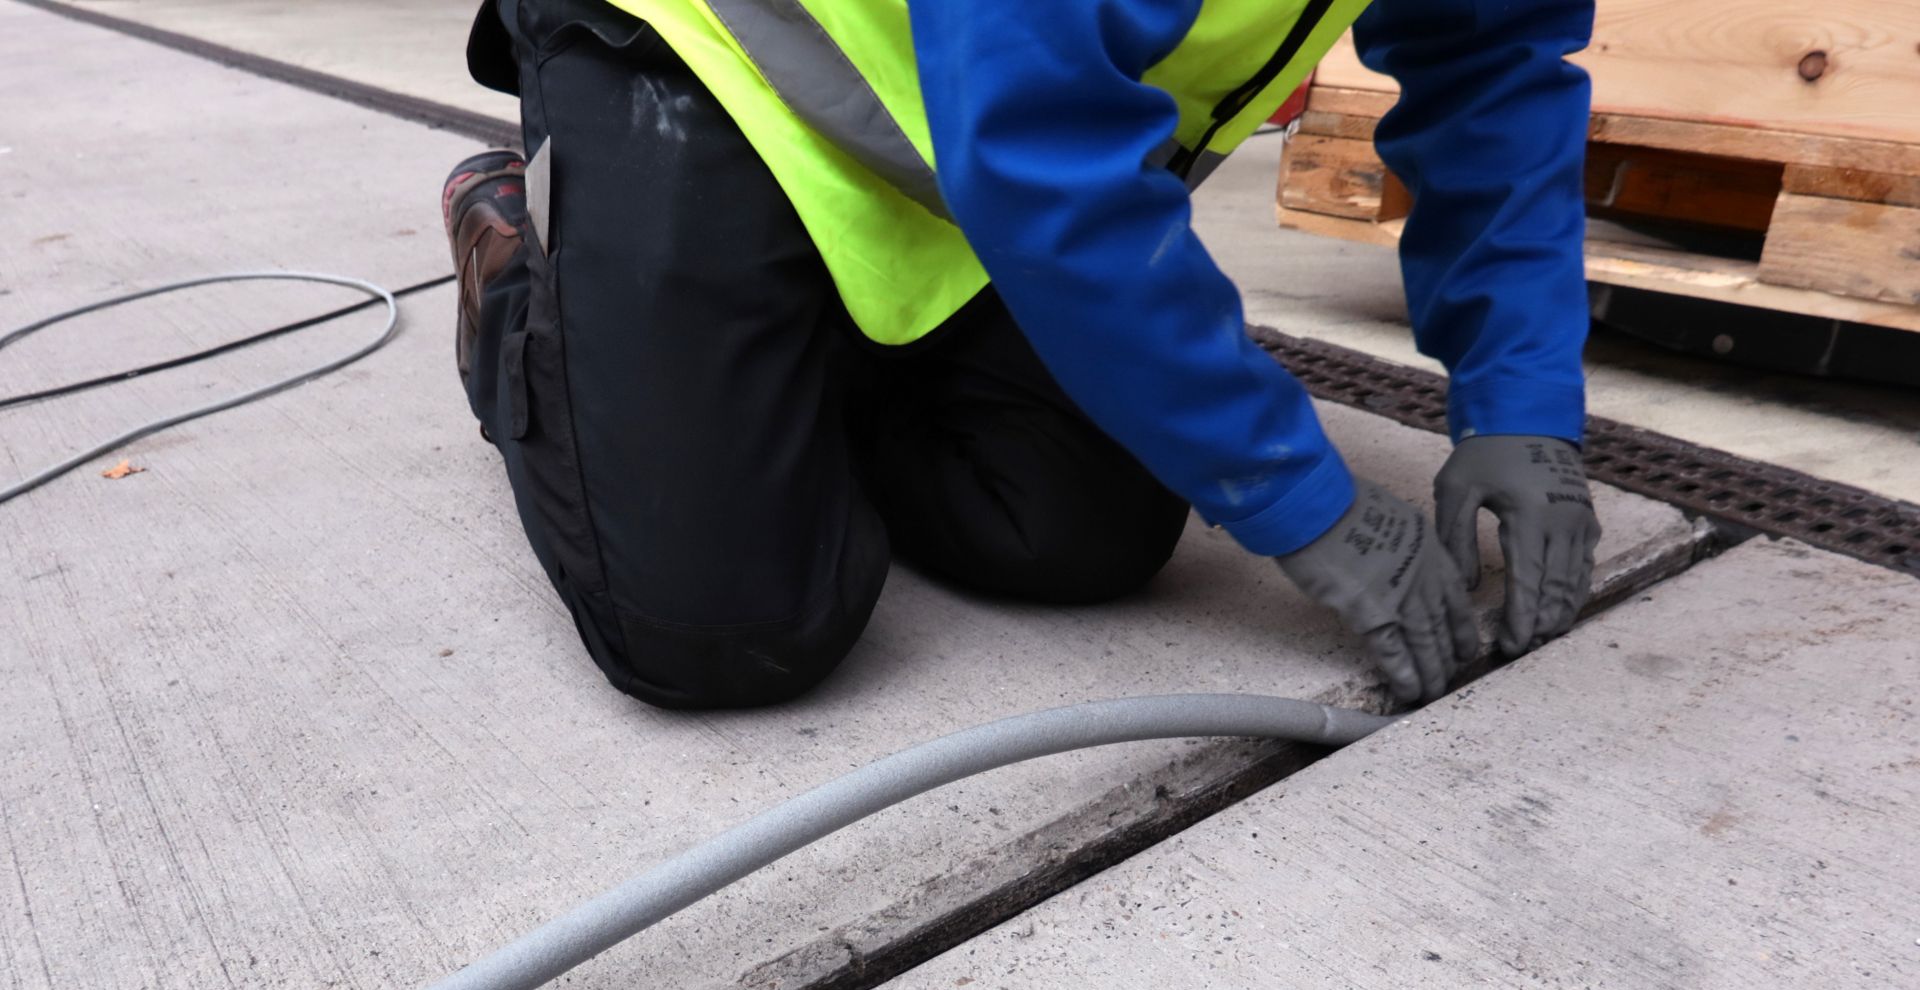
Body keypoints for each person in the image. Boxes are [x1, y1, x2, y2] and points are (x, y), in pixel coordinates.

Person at [444, 0, 1602, 710]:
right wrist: (1302, 500)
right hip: (705, 46)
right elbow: (1041, 143)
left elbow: (1491, 74)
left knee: (1074, 531)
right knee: (715, 630)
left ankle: (761, 354)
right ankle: (522, 262)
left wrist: (1521, 403)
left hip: (951, 121)